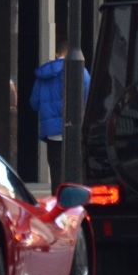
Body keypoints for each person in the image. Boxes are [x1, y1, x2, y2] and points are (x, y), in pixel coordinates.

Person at [29, 39, 90, 189]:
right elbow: (88, 97)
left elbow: (34, 103)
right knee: (76, 174)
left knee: (56, 173)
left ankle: (58, 205)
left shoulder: (43, 75)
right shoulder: (80, 70)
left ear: (57, 54)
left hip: (52, 133)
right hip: (74, 131)